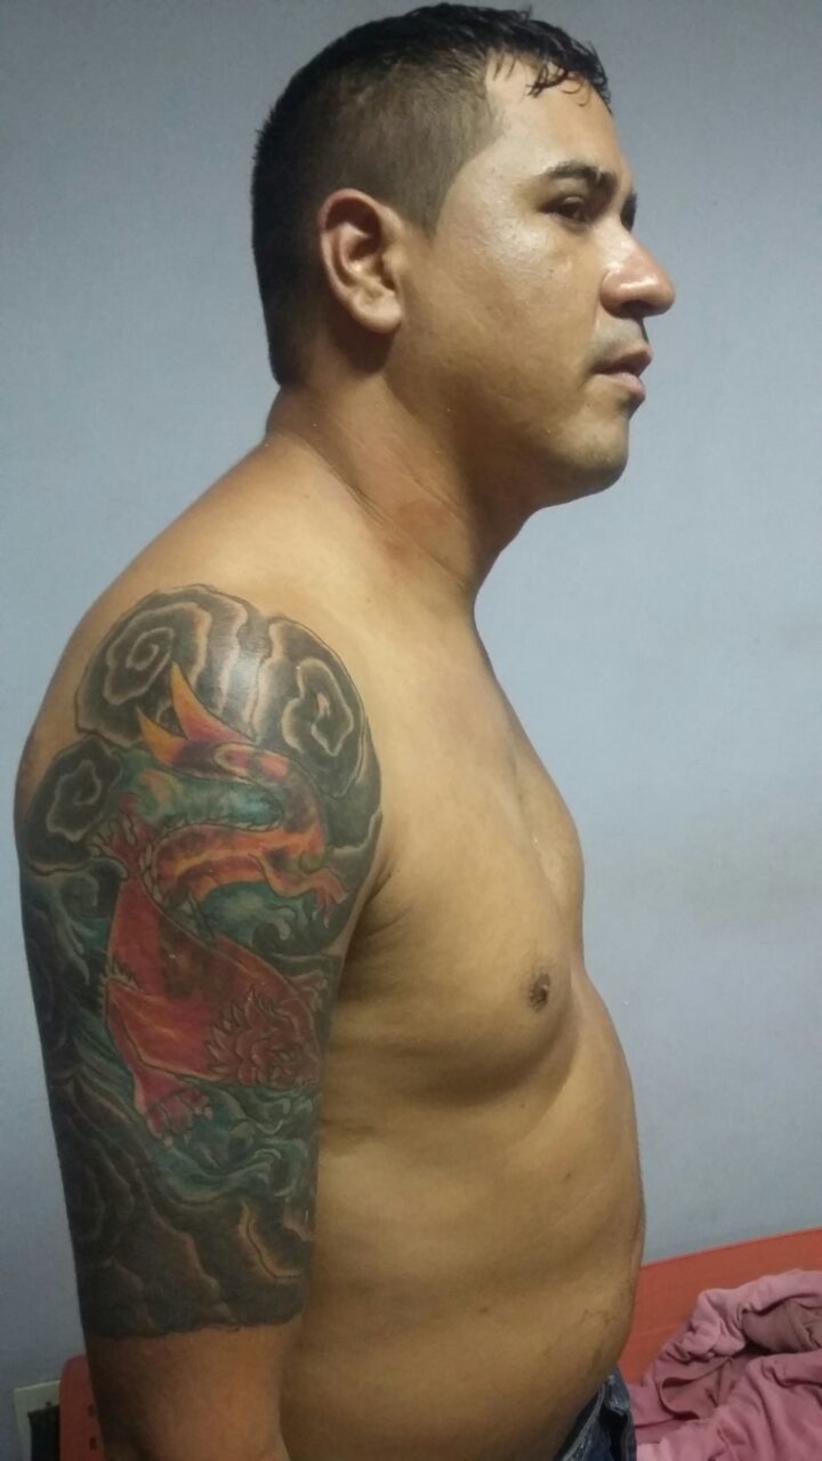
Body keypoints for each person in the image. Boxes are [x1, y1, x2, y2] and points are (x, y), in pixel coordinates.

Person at [14, 5, 675, 1459]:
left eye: (628, 217)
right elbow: (192, 1440)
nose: (647, 276)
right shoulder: (225, 688)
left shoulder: (399, 611)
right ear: (368, 261)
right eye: (573, 210)